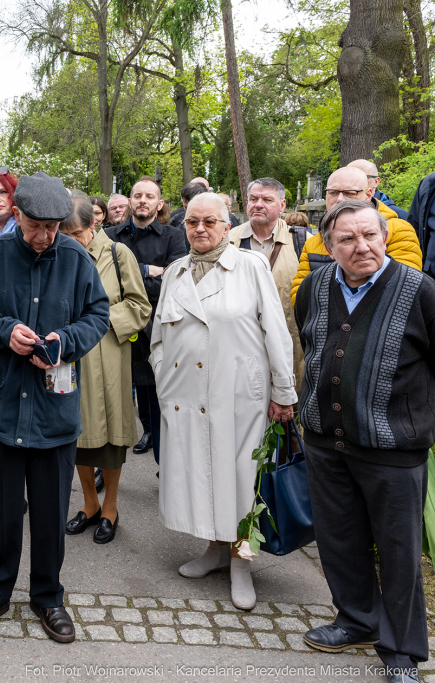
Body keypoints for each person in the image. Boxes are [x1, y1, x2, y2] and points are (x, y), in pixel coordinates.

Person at [0, 172, 110, 643]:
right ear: (17, 214)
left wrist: (66, 340)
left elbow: (97, 315)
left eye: (54, 227)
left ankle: (48, 597)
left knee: (48, 513)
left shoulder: (77, 259)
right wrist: (4, 331)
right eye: (36, 225)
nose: (45, 236)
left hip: (53, 412)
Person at [295, 200, 435, 683]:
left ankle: (401, 654)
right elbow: (312, 344)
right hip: (325, 441)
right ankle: (356, 620)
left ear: (385, 235)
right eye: (348, 239)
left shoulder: (421, 292)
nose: (362, 247)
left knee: (397, 552)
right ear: (329, 246)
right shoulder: (314, 287)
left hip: (393, 448)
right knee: (339, 540)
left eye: (370, 236)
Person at [152, 193, 296, 611]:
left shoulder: (249, 266)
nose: (200, 228)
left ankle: (241, 562)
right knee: (202, 472)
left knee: (240, 480)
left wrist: (283, 392)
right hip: (185, 395)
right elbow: (159, 335)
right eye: (192, 221)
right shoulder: (176, 270)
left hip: (239, 396)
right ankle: (215, 551)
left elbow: (276, 331)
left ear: (225, 224)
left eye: (210, 221)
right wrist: (163, 375)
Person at [59, 194, 151, 544]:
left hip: (109, 356)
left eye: (77, 233)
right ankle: (89, 504)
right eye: (63, 234)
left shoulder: (118, 254)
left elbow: (140, 307)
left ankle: (110, 508)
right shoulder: (58, 254)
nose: (71, 241)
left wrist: (97, 321)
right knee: (77, 436)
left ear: (93, 225)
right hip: (69, 356)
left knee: (111, 438)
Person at [104, 177, 187, 462]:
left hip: (157, 328)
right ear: (129, 201)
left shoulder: (173, 237)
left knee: (157, 402)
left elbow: (175, 283)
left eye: (149, 196)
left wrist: (130, 278)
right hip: (115, 327)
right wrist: (148, 270)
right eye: (137, 195)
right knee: (112, 401)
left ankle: (166, 470)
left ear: (159, 203)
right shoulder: (110, 235)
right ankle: (107, 466)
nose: (142, 200)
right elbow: (104, 283)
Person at [291, 166, 422, 305]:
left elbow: (405, 288)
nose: (340, 199)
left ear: (368, 194)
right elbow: (299, 296)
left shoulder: (398, 231)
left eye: (349, 193)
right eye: (333, 193)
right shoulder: (315, 242)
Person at [226, 178, 306, 383]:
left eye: (267, 199)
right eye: (253, 198)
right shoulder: (227, 241)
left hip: (289, 344)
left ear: (282, 205)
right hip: (240, 343)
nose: (258, 204)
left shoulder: (302, 241)